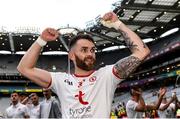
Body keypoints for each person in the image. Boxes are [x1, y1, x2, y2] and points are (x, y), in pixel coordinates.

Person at [17, 11, 150, 118]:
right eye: (84, 50)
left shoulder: (106, 76)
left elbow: (142, 51)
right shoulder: (60, 80)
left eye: (92, 50)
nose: (90, 54)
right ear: (71, 55)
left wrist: (118, 24)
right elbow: (24, 68)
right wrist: (41, 40)